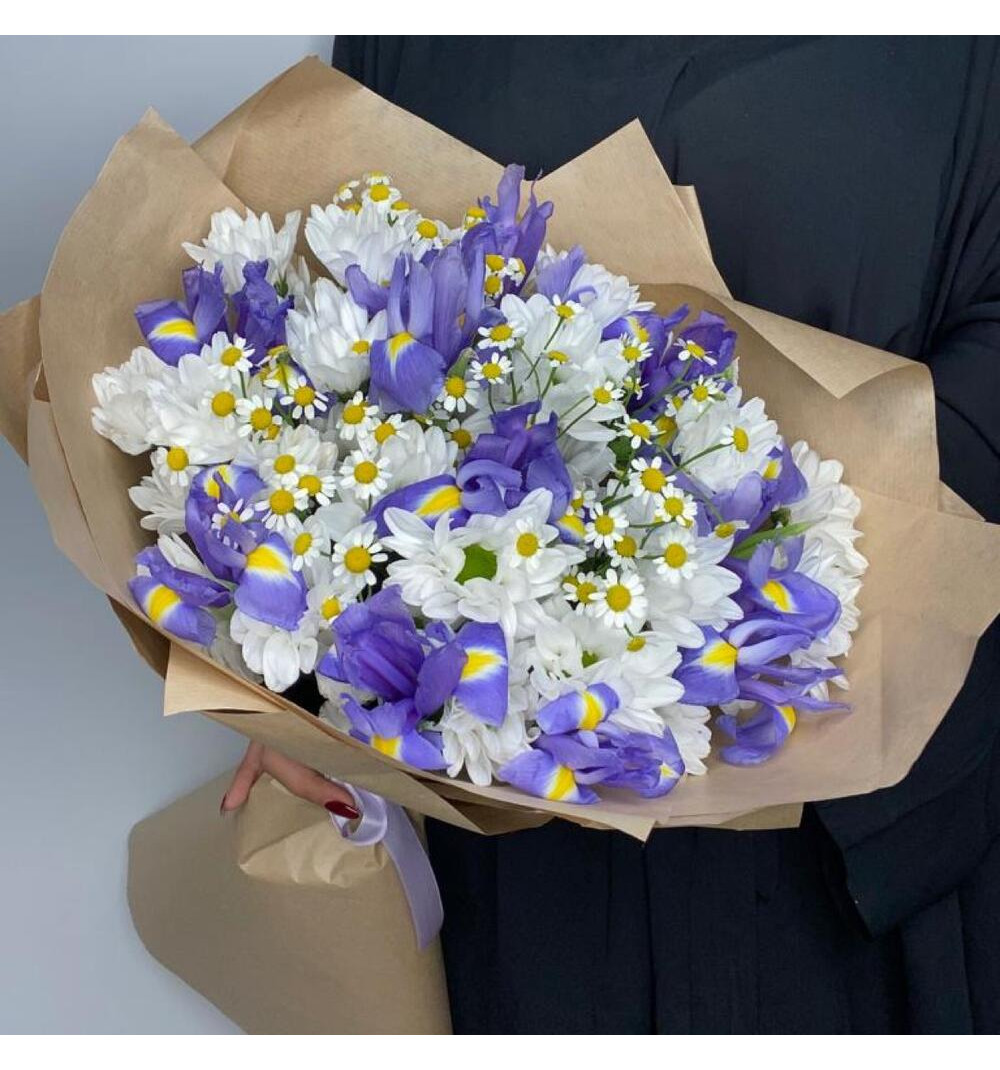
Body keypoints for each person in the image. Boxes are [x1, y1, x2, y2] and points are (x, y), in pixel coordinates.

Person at [223, 36, 1000, 1033]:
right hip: (505, 808)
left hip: (858, 799)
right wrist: (303, 678)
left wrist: (731, 544)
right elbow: (342, 311)